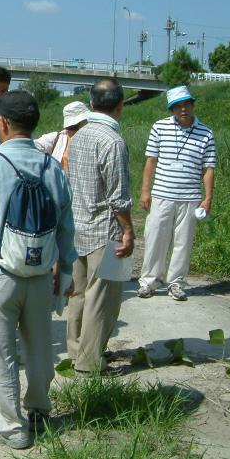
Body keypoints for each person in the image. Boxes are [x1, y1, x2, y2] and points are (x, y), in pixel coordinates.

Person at [0, 90, 76, 449]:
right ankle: (39, 412)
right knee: (40, 346)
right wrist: (65, 268)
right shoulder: (52, 166)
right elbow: (66, 224)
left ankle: (11, 426)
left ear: (3, 123)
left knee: (0, 350)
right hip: (41, 275)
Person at [66, 78, 134, 374]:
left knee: (79, 294)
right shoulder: (112, 142)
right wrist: (129, 231)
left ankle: (75, 351)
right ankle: (90, 363)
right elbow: (118, 197)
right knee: (101, 298)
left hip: (77, 225)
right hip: (103, 230)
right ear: (120, 106)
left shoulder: (78, 135)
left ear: (92, 104)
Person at [138, 86, 216, 301]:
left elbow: (208, 168)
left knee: (183, 242)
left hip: (190, 197)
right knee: (155, 238)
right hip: (162, 194)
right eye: (178, 106)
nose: (183, 109)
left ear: (192, 104)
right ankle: (149, 281)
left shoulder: (206, 132)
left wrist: (207, 198)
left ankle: (177, 283)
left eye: (186, 104)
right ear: (171, 109)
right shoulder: (159, 127)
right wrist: (145, 191)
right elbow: (150, 161)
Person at [34, 101, 90, 172]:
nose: (73, 131)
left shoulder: (97, 140)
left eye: (75, 127)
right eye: (70, 128)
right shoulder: (57, 138)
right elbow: (30, 146)